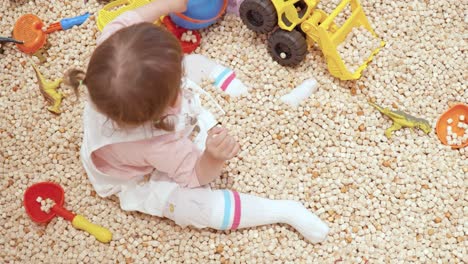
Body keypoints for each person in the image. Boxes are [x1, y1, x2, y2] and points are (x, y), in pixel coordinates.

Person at [67, 0, 329, 243]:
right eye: (178, 87)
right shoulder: (159, 142)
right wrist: (212, 158)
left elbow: (128, 19)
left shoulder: (112, 50)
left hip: (145, 114)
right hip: (136, 179)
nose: (182, 80)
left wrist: (168, 4)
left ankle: (257, 101)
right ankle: (282, 211)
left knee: (195, 62)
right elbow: (195, 175)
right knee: (192, 207)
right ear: (164, 111)